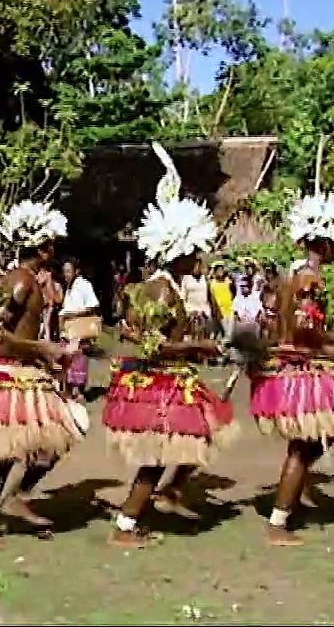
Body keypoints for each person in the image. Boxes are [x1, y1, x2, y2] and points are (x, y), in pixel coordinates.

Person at [103, 144, 237, 547]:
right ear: (180, 251)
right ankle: (126, 525)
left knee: (171, 451)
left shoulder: (159, 287)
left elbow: (134, 333)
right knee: (158, 456)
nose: (199, 260)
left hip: (166, 381)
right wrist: (198, 348)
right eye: (195, 253)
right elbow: (151, 347)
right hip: (164, 383)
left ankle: (145, 511)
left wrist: (192, 345)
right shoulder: (162, 291)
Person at [0, 200, 81, 548]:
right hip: (11, 376)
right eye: (51, 244)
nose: (54, 250)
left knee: (54, 440)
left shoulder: (25, 279)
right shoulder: (21, 281)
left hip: (26, 372)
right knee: (6, 453)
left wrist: (45, 356)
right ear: (41, 248)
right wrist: (43, 348)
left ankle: (16, 498)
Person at [248, 192, 334, 546]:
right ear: (325, 244)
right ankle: (278, 522)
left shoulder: (293, 275)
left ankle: (288, 505)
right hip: (301, 369)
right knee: (304, 445)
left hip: (292, 366)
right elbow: (303, 326)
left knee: (313, 442)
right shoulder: (310, 278)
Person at [59, 257, 99, 398]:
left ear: (76, 271)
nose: (66, 275)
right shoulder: (69, 287)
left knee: (77, 359)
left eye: (68, 271)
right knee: (67, 359)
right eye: (64, 271)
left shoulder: (84, 285)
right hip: (68, 329)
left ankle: (77, 391)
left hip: (78, 327)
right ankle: (68, 390)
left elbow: (92, 306)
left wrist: (72, 314)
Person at [208, 262, 235, 339]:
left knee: (230, 332)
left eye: (221, 270)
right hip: (220, 310)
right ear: (215, 271)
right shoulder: (212, 283)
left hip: (230, 309)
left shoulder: (227, 280)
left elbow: (233, 292)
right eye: (218, 270)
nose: (220, 272)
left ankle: (224, 342)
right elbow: (212, 298)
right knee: (225, 331)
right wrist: (215, 310)